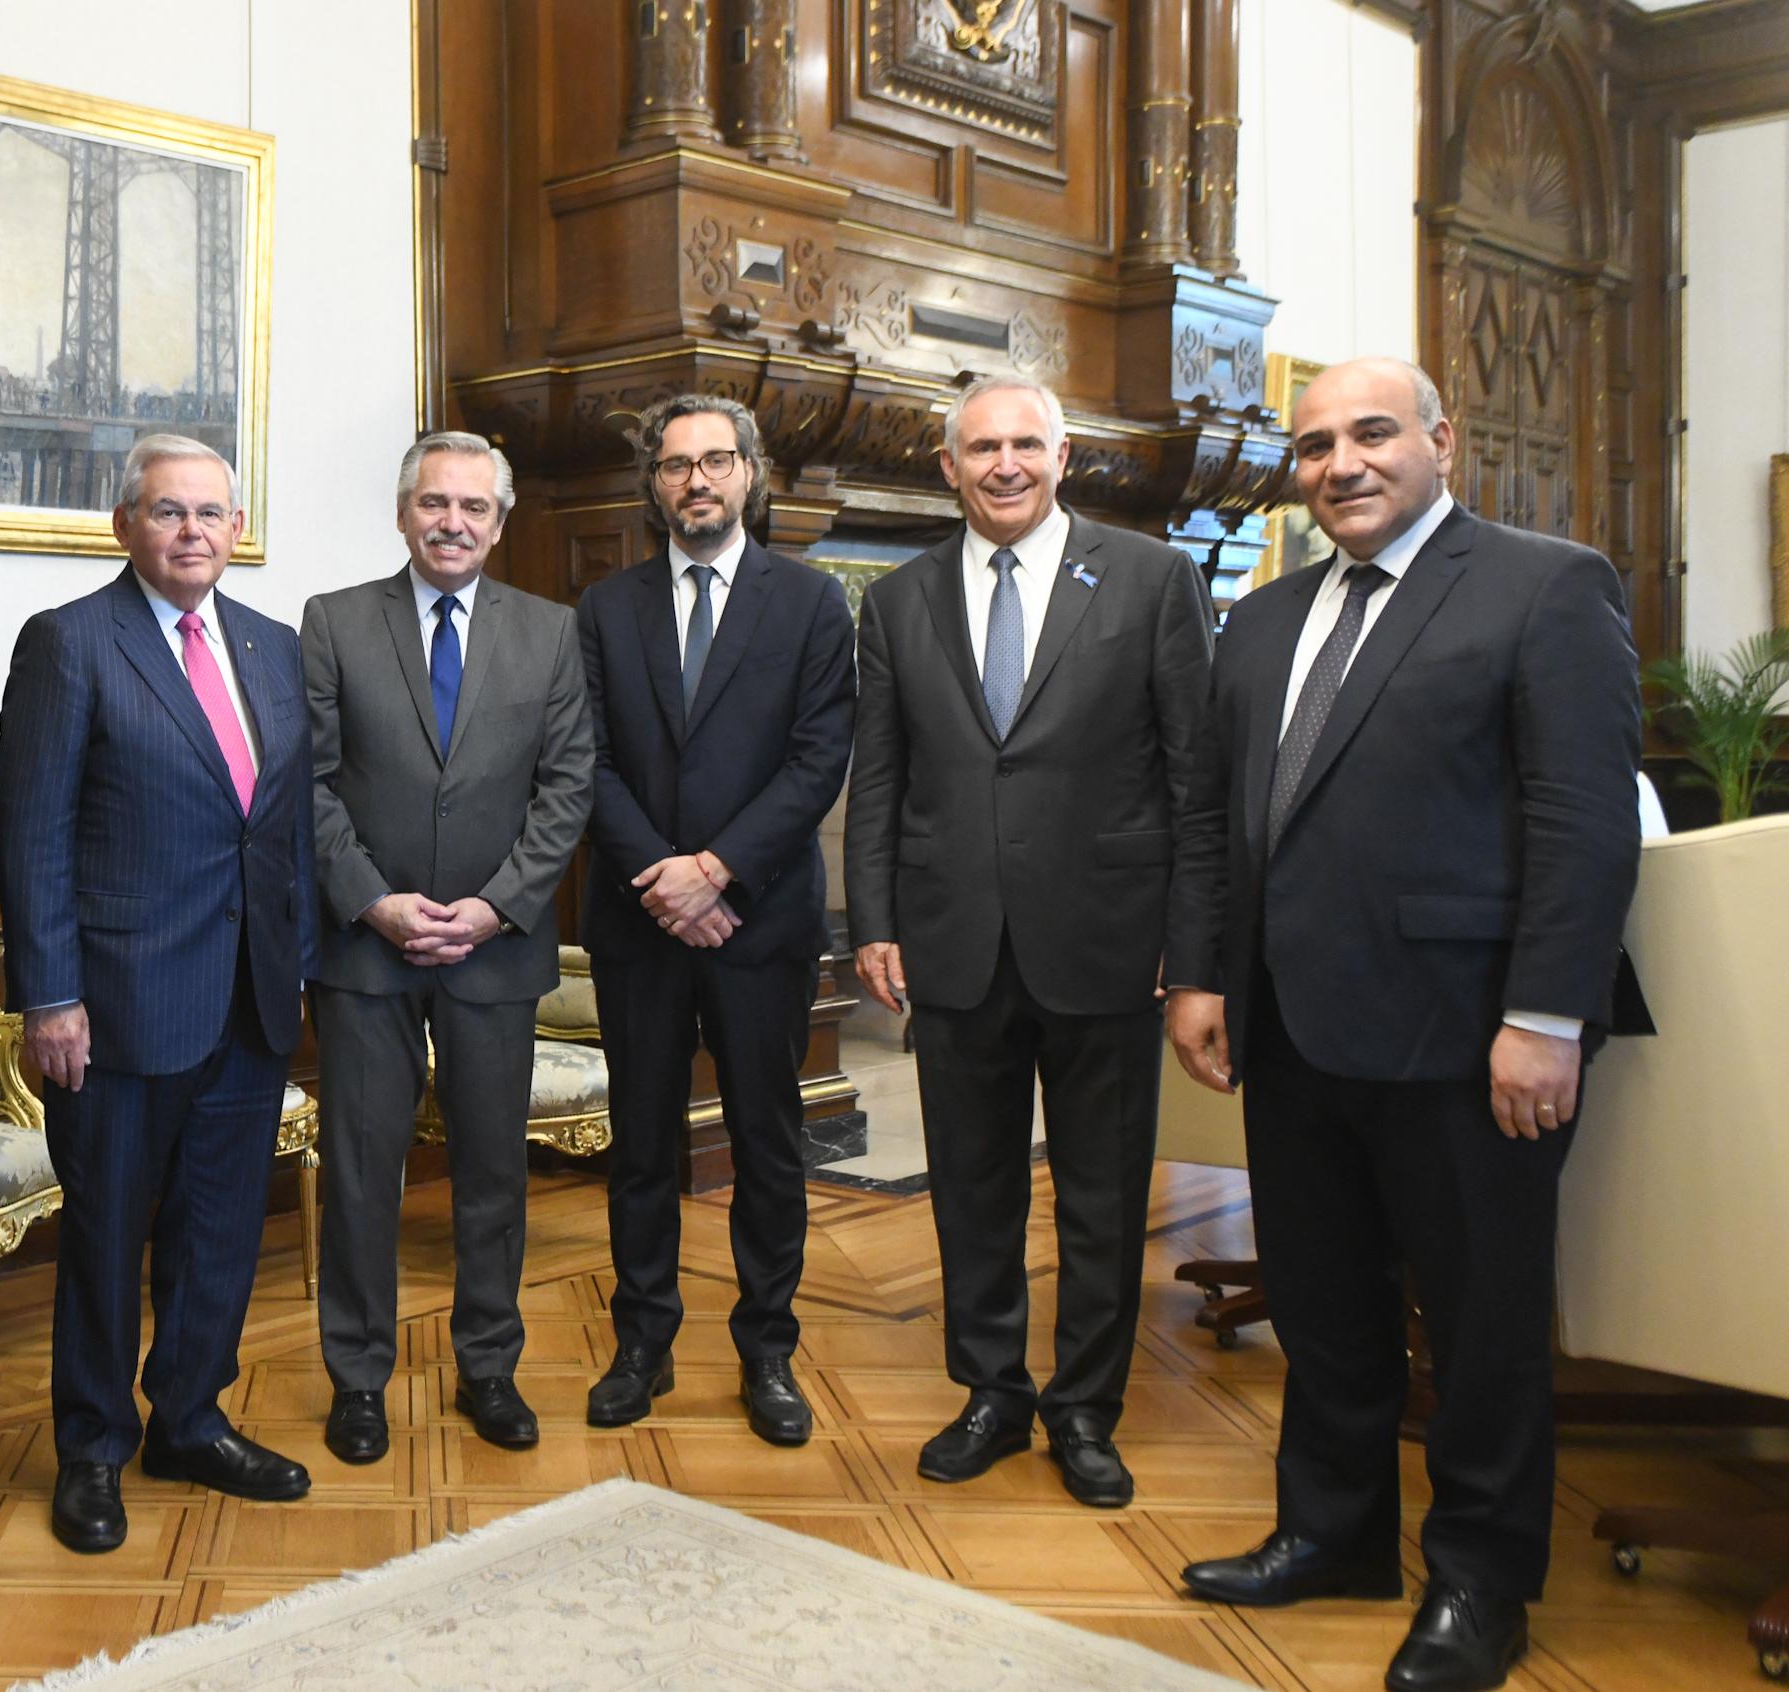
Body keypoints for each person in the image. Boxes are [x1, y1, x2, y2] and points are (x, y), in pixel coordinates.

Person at [1166, 357, 1641, 1692]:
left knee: (1481, 1329)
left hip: (1471, 1034)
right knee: (1324, 1310)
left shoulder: (1547, 587)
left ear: (1441, 439)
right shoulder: (1259, 624)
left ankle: (1481, 1584)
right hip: (1293, 1030)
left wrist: (1546, 1014)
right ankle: (1333, 1536)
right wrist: (1200, 973)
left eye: (1371, 434)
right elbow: (1216, 821)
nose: (1341, 463)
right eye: (1314, 444)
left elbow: (1583, 821)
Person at [844, 376, 1215, 1508]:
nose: (1004, 464)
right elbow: (882, 779)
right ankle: (993, 1393)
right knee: (972, 1184)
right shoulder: (898, 601)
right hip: (954, 942)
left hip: (1109, 941)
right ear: (947, 467)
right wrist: (874, 921)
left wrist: (1191, 947)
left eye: (1025, 444)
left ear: (1065, 457)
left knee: (1103, 1193)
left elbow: (1197, 783)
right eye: (981, 448)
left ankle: (1086, 1411)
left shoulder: (1153, 580)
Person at [0, 434, 317, 1552]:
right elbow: (30, 832)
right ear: (125, 524)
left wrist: (300, 959)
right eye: (168, 512)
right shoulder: (70, 644)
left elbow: (286, 832)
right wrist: (49, 996)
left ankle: (189, 1416)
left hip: (250, 1001)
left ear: (237, 529)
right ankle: (92, 1447)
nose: (192, 533)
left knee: (221, 1231)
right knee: (105, 1238)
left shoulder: (273, 650)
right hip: (119, 1006)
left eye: (211, 514)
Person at [303, 431, 593, 1461]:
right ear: (401, 512)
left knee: (490, 1175)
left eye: (474, 507)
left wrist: (498, 906)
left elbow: (567, 789)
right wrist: (375, 903)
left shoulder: (553, 635)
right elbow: (313, 785)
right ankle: (359, 1378)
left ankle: (489, 1367)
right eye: (434, 503)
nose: (453, 522)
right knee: (362, 1172)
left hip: (496, 951)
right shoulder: (334, 623)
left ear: (501, 523)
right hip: (366, 951)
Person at [571, 393, 855, 1446]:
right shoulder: (607, 608)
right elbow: (585, 760)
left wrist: (719, 872)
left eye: (718, 460)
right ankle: (641, 1343)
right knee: (641, 1144)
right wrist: (665, 875)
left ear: (750, 474)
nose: (698, 479)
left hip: (759, 925)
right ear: (655, 483)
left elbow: (818, 759)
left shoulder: (814, 605)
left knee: (767, 1145)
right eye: (678, 463)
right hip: (640, 924)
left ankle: (767, 1351)